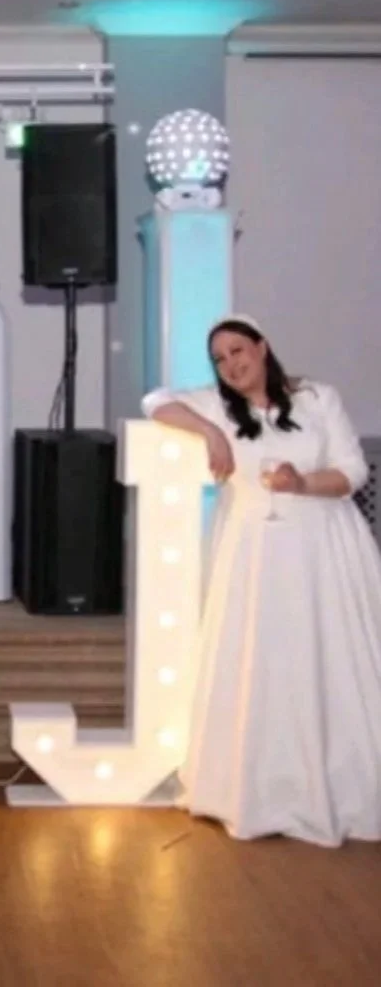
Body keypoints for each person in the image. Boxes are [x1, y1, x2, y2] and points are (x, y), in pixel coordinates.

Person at [143, 314, 381, 847]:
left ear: (263, 347)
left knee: (325, 661)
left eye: (238, 351)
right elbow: (154, 400)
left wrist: (303, 483)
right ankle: (259, 787)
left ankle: (335, 788)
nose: (231, 365)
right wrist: (209, 431)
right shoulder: (217, 405)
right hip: (255, 555)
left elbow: (354, 470)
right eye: (220, 359)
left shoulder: (318, 398)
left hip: (322, 548)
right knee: (260, 662)